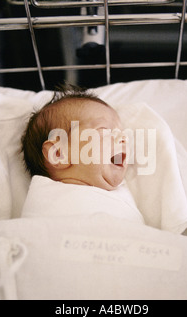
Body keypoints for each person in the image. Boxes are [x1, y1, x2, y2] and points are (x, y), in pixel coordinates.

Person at [20, 85, 144, 223]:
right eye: (104, 130)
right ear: (59, 154)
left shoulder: (123, 194)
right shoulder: (46, 195)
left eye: (121, 132)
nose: (123, 138)